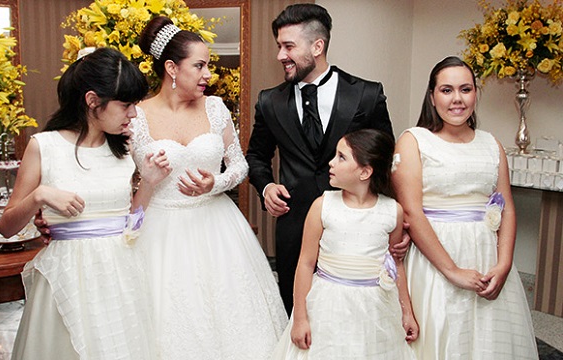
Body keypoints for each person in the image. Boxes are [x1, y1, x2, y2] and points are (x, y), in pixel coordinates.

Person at [130, 15, 288, 358]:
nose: (208, 74)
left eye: (208, 65)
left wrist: (214, 183)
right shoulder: (135, 117)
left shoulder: (215, 108)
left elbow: (240, 164)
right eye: (199, 65)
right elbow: (124, 185)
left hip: (216, 227)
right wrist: (147, 180)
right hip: (160, 230)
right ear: (172, 68)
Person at [0, 47, 170, 360]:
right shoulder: (44, 146)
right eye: (126, 105)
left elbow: (132, 224)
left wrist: (148, 181)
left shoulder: (122, 151)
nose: (134, 114)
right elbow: (7, 227)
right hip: (67, 278)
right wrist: (40, 195)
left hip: (119, 277)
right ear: (93, 101)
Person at [246, 3, 396, 312]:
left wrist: (396, 223)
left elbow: (385, 159)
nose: (280, 55)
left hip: (358, 229)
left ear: (318, 45)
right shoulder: (270, 102)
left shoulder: (366, 95)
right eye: (278, 46)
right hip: (295, 228)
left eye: (289, 46)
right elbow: (256, 156)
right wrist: (266, 187)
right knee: (296, 313)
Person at [392, 56, 538, 359]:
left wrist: (504, 263)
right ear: (432, 97)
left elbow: (507, 207)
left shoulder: (491, 144)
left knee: (488, 341)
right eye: (446, 90)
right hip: (435, 259)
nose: (457, 99)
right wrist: (453, 271)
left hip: (486, 258)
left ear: (475, 94)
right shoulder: (413, 140)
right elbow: (411, 212)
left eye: (465, 89)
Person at [272, 129, 418, 359]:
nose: (331, 162)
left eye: (341, 157)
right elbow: (306, 263)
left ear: (365, 172)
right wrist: (299, 318)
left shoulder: (392, 211)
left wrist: (406, 312)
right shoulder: (323, 206)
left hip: (375, 308)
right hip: (329, 306)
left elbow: (395, 265)